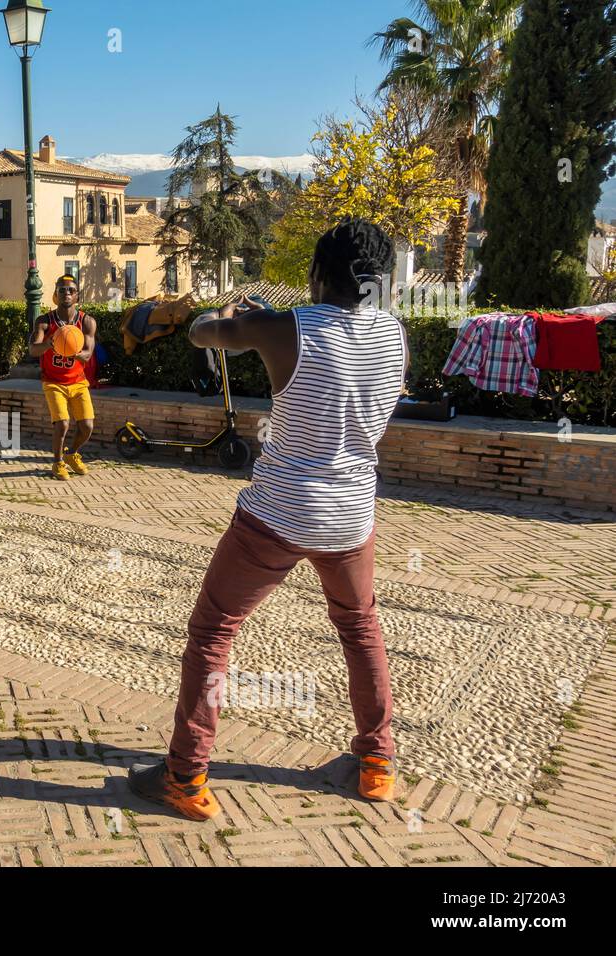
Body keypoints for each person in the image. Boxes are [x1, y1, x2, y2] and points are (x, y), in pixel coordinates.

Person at [128, 218, 407, 819]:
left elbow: (206, 334)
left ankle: (185, 774)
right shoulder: (394, 335)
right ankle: (376, 762)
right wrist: (260, 323)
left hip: (277, 514)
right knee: (360, 630)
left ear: (318, 272)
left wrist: (238, 317)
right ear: (378, 281)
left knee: (212, 633)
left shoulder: (286, 328)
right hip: (351, 517)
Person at [28, 274, 97, 480]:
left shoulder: (87, 322)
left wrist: (72, 351)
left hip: (77, 381)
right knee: (63, 423)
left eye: (71, 290)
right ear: (55, 295)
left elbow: (87, 354)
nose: (66, 293)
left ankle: (71, 454)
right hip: (53, 382)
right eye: (62, 290)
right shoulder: (44, 322)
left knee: (87, 426)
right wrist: (51, 343)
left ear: (77, 296)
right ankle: (57, 463)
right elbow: (32, 350)